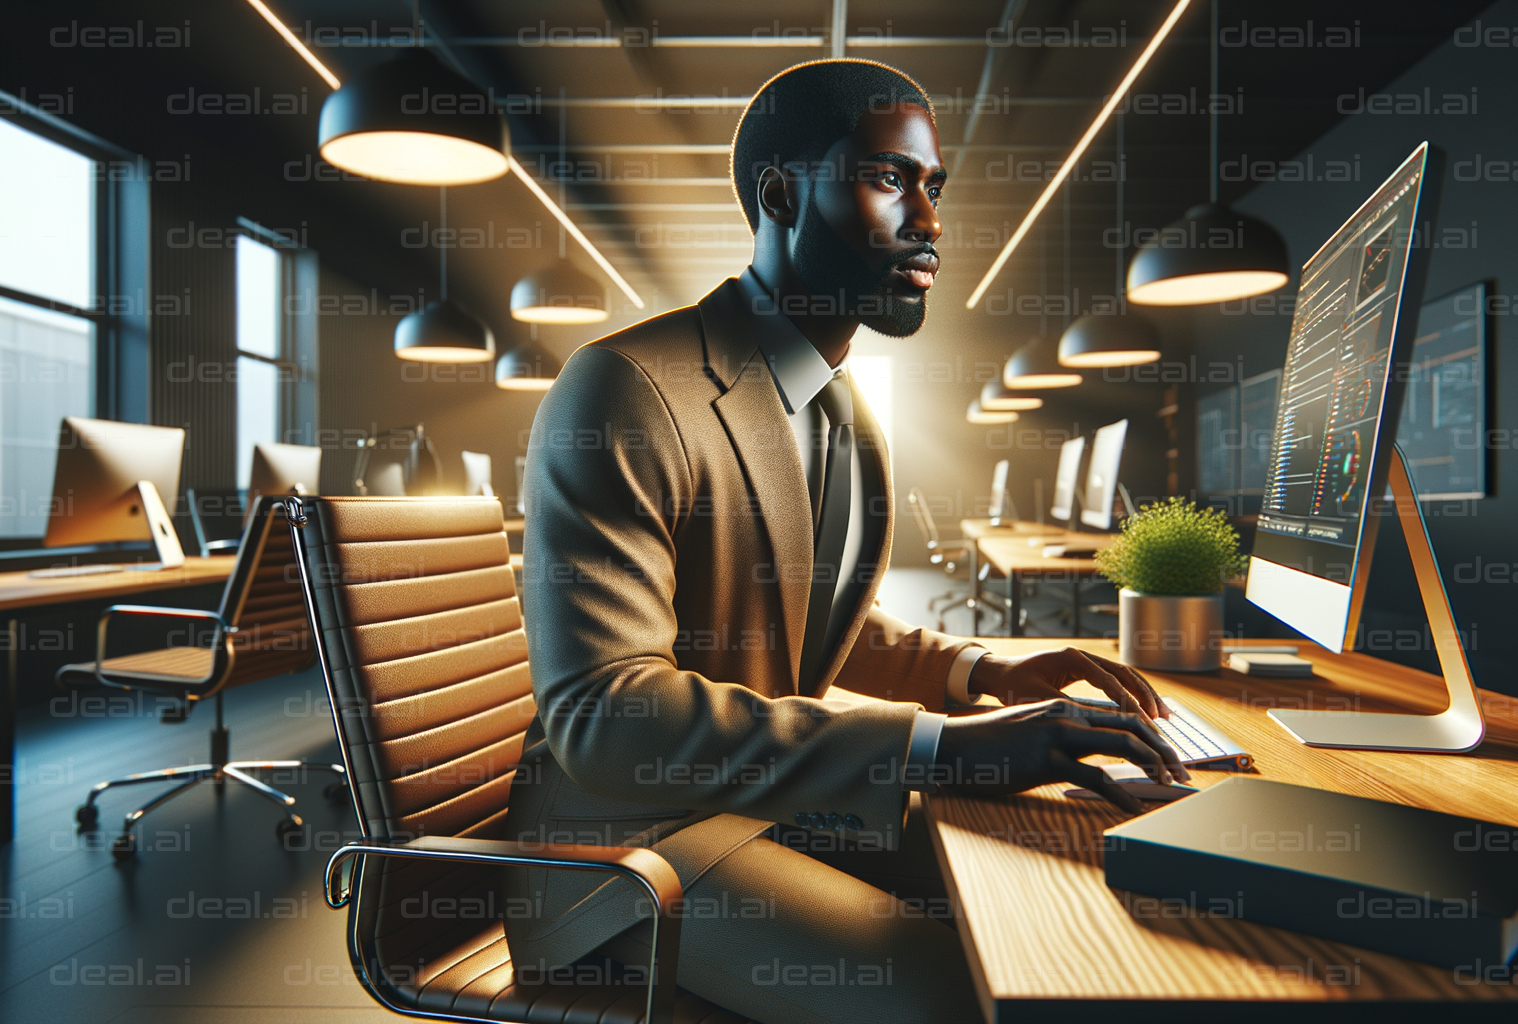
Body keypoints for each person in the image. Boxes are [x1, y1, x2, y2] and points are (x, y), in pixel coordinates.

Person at [505, 58, 1188, 1024]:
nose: (930, 220)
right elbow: (607, 718)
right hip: (625, 858)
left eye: (933, 186)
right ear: (781, 193)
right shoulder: (624, 387)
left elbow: (804, 614)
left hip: (761, 805)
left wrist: (983, 673)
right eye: (888, 178)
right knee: (959, 1000)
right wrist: (944, 749)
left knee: (1082, 883)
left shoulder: (838, 407)